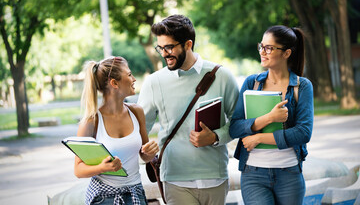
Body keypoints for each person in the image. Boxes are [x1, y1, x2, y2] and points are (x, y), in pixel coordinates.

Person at [137, 14, 239, 205]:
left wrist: (215, 137)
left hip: (215, 177)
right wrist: (144, 153)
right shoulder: (154, 82)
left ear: (188, 44)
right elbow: (140, 128)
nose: (164, 53)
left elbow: (238, 121)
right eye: (160, 48)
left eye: (169, 47)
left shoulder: (222, 76)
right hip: (175, 179)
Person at [229, 25, 313, 205]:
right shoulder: (252, 83)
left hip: (289, 173)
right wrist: (269, 118)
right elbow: (234, 127)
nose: (262, 52)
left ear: (286, 53)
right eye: (262, 46)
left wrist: (258, 138)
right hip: (253, 174)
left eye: (269, 48)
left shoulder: (302, 86)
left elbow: (303, 133)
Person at [75, 56, 159, 205]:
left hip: (135, 194)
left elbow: (145, 156)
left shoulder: (136, 112)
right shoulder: (91, 121)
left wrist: (150, 153)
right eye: (129, 74)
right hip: (103, 198)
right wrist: (102, 167)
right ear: (114, 83)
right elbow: (78, 169)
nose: (133, 79)